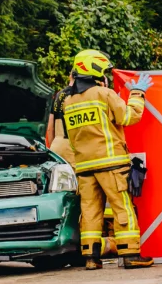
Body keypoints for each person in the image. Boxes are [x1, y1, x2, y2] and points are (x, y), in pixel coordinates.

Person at [63, 49, 155, 269]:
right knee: (122, 207)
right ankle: (131, 254)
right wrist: (137, 94)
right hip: (110, 162)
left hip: (84, 166)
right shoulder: (104, 95)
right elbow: (128, 116)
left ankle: (91, 258)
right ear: (96, 71)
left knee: (90, 211)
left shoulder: (69, 102)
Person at [47, 73, 74, 164]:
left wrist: (52, 150)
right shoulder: (79, 95)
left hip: (56, 146)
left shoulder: (58, 95)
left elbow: (50, 128)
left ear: (70, 76)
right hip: (72, 148)